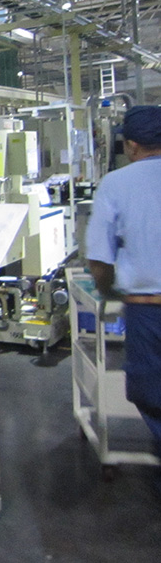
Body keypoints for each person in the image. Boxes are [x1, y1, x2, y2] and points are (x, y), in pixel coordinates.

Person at [86, 104, 161, 461]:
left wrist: (106, 289)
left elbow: (99, 259)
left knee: (151, 394)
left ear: (130, 145)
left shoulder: (115, 184)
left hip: (147, 313)